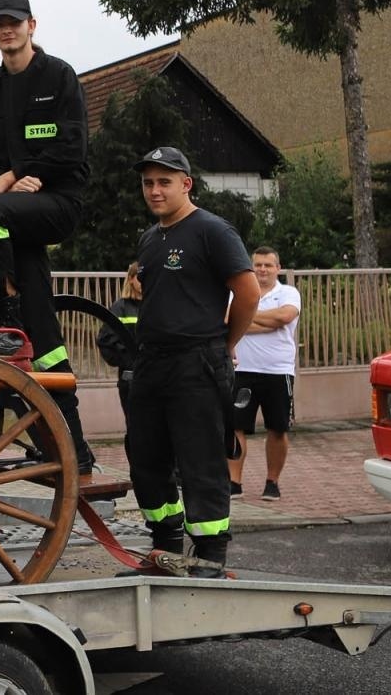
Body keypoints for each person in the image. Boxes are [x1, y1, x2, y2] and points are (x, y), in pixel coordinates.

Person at [0, 0, 96, 475]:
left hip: (57, 202)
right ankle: (75, 451)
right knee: (46, 335)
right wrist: (8, 182)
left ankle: (5, 310)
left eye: (15, 22)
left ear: (31, 26)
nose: (7, 29)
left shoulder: (59, 76)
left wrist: (19, 177)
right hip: (14, 211)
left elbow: (72, 146)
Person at [126, 146, 261, 577]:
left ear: (186, 184)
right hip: (151, 364)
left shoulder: (212, 231)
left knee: (200, 461)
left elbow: (249, 294)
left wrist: (225, 343)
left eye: (164, 182)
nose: (155, 190)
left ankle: (208, 559)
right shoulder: (151, 238)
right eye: (148, 183)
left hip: (196, 363)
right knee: (146, 460)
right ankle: (164, 551)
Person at [227, 246, 302, 501]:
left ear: (278, 268)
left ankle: (272, 481)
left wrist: (245, 316)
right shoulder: (238, 293)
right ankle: (234, 482)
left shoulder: (288, 292)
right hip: (242, 370)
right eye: (257, 264)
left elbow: (284, 316)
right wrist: (267, 322)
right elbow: (226, 319)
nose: (262, 269)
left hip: (278, 371)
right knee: (235, 427)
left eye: (268, 265)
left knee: (278, 429)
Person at [95, 262, 142, 420]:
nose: (144, 281)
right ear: (131, 279)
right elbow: (105, 340)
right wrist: (129, 362)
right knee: (134, 425)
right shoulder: (120, 308)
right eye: (139, 277)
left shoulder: (155, 305)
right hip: (131, 379)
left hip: (156, 376)